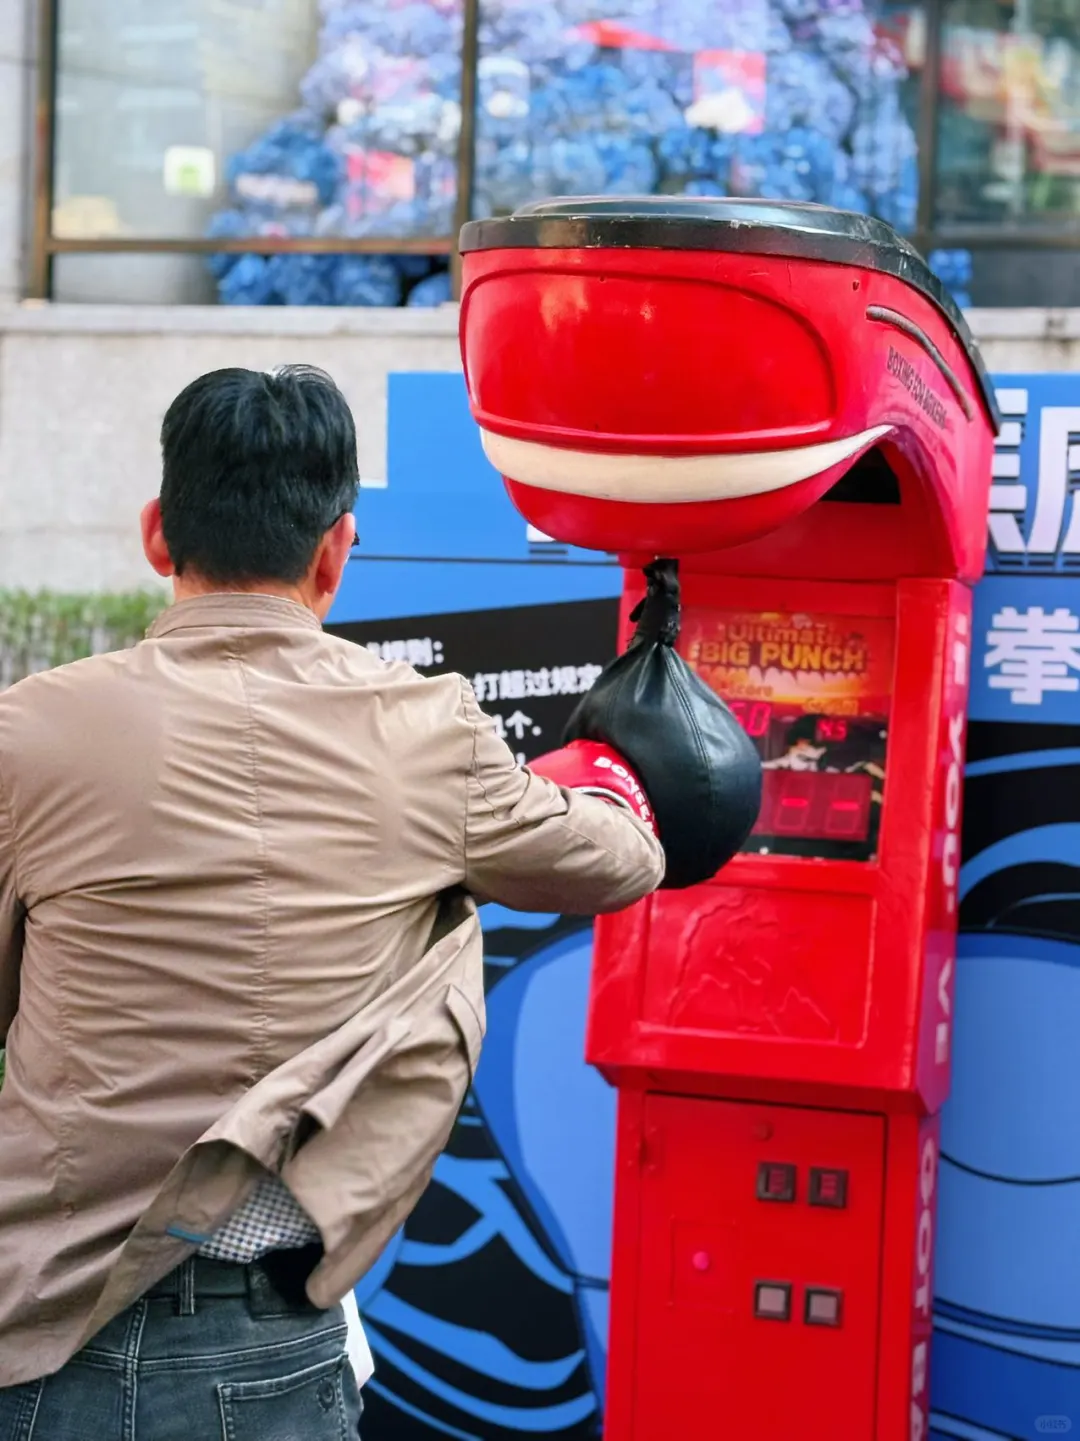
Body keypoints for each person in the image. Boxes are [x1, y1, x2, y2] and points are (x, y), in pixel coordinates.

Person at [0, 366, 665, 1440]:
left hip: (33, 1331)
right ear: (336, 552)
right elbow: (623, 859)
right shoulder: (432, 731)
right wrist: (603, 766)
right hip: (265, 1343)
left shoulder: (27, 731)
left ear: (158, 534)